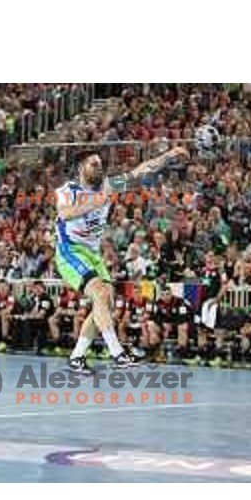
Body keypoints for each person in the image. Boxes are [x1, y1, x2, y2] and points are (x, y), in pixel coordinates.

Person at [55, 146, 189, 374]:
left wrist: (167, 156)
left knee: (104, 302)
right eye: (93, 164)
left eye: (100, 164)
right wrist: (95, 202)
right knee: (99, 293)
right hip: (70, 251)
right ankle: (117, 353)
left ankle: (77, 357)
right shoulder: (67, 190)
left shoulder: (108, 185)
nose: (99, 168)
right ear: (81, 168)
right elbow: (65, 214)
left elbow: (139, 172)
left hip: (93, 254)